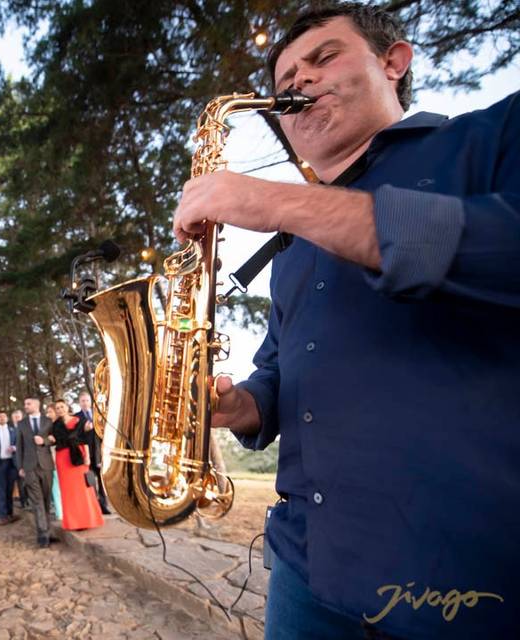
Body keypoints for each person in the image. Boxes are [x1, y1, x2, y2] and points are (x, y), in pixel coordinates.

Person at [172, 4, 519, 638]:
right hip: (304, 574)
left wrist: (278, 201)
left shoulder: (495, 136)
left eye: (323, 57)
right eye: (284, 80)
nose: (297, 82)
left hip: (466, 583)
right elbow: (280, 372)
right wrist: (241, 405)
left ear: (394, 62)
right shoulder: (291, 250)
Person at [51, 399, 103, 532]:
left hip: (79, 456)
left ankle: (89, 520)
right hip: (63, 459)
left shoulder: (78, 421)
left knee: (84, 489)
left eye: (62, 407)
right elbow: (54, 441)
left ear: (67, 407)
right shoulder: (55, 425)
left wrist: (87, 457)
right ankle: (73, 523)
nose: (60, 410)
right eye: (57, 408)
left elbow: (85, 439)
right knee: (68, 491)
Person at [15, 397, 56, 546]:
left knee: (46, 500)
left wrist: (44, 441)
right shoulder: (21, 423)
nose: (25, 406)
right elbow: (19, 446)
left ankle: (47, 531)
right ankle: (43, 536)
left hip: (46, 466)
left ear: (37, 405)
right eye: (25, 404)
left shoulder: (48, 421)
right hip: (29, 466)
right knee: (37, 500)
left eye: (28, 404)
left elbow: (54, 439)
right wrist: (20, 467)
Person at [75, 391, 109, 514]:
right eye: (82, 401)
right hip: (86, 455)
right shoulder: (76, 417)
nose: (85, 403)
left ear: (91, 401)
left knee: (101, 481)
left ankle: (104, 506)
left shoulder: (98, 414)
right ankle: (94, 506)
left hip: (99, 453)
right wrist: (84, 430)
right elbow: (75, 436)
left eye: (87, 400)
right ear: (79, 402)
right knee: (90, 482)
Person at [0, 411, 19, 524]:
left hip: (11, 463)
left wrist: (15, 448)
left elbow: (18, 444)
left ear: (7, 418)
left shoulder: (13, 430)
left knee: (9, 489)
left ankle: (10, 514)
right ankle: (2, 516)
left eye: (4, 416)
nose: (2, 418)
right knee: (1, 490)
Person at [10, 408, 28, 509]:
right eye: (15, 417)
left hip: (25, 459)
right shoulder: (11, 429)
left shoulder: (25, 429)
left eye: (18, 417)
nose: (16, 419)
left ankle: (27, 501)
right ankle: (23, 501)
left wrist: (15, 447)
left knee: (26, 481)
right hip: (13, 460)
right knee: (20, 481)